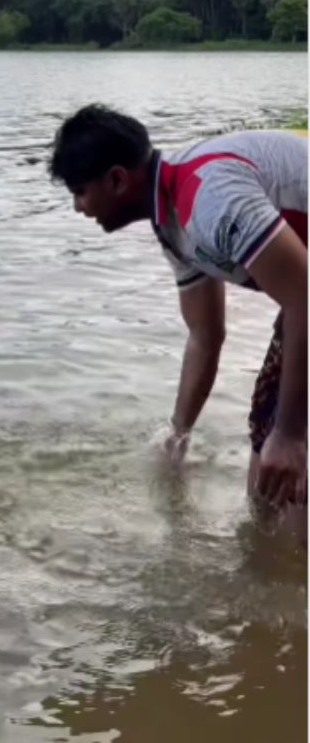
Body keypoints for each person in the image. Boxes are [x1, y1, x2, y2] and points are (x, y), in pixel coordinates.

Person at [49, 104, 307, 511]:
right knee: (266, 460)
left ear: (117, 179)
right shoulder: (170, 222)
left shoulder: (209, 200)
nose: (78, 207)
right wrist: (178, 435)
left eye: (80, 192)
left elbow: (305, 298)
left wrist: (292, 435)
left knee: (292, 466)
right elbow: (205, 337)